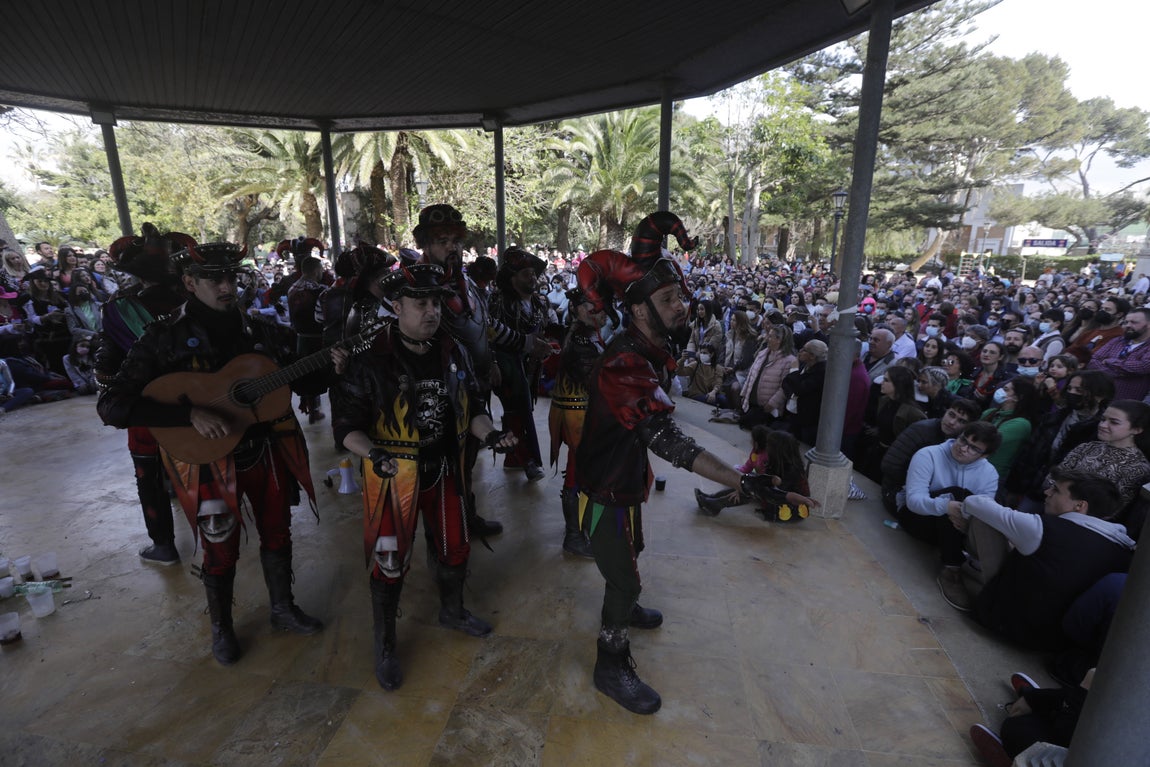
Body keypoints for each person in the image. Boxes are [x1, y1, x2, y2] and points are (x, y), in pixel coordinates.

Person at [571, 213, 785, 715]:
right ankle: (610, 661)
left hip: (624, 478)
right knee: (622, 574)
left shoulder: (647, 349)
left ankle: (626, 602)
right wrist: (742, 481)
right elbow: (669, 440)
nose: (681, 305)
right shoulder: (624, 362)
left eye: (679, 295)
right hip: (604, 488)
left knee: (634, 547)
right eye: (668, 299)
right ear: (638, 310)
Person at [97, 241, 324, 666]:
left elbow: (307, 383)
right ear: (189, 282)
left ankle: (282, 608)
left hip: (265, 452)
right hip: (209, 464)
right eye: (214, 278)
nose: (227, 285)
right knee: (220, 547)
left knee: (278, 533)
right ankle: (221, 627)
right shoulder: (163, 338)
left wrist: (333, 365)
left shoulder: (261, 330)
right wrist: (188, 414)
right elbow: (112, 405)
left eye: (231, 277)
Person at [330, 263, 517, 691]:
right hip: (393, 474)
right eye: (421, 303)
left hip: (446, 466)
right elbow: (345, 427)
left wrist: (492, 436)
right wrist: (373, 454)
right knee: (389, 558)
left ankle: (452, 610)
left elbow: (472, 409)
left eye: (436, 302)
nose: (432, 311)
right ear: (396, 307)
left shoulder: (453, 349)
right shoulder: (369, 355)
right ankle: (385, 644)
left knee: (456, 545)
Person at [415, 204, 543, 536]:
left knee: (466, 459)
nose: (451, 247)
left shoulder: (467, 284)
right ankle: (443, 533)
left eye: (455, 240)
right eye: (442, 240)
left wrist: (502, 357)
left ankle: (464, 517)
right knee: (439, 465)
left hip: (475, 386)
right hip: (436, 394)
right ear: (425, 244)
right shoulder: (413, 288)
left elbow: (485, 327)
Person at [95, 224, 193, 566]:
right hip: (200, 399)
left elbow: (108, 363)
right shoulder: (194, 297)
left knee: (147, 474)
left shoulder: (118, 307)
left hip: (147, 404)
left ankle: (163, 545)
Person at [950, 468, 1134, 649]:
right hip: (1054, 644)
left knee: (984, 519)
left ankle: (954, 566)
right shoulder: (1124, 547)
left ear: (1079, 506)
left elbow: (976, 502)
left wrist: (964, 512)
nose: (1047, 492)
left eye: (1056, 490)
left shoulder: (1043, 529)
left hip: (1004, 623)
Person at [901, 421, 1002, 611]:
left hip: (953, 528)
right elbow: (913, 501)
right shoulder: (928, 454)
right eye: (963, 439)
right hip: (915, 517)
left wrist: (967, 520)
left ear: (985, 455)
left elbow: (982, 512)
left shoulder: (989, 473)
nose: (963, 448)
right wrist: (946, 506)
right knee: (958, 495)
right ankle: (952, 570)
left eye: (973, 448)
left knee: (974, 504)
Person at [547, 282, 606, 558]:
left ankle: (580, 529)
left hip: (576, 412)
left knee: (580, 473)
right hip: (577, 416)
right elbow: (597, 380)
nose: (599, 311)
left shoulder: (582, 333)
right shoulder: (581, 339)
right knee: (577, 475)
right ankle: (574, 535)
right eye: (591, 306)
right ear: (577, 309)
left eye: (601, 306)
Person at [489, 247, 553, 482]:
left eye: (533, 273)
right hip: (506, 365)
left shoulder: (538, 302)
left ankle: (513, 457)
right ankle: (528, 461)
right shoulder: (500, 302)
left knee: (521, 412)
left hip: (529, 367)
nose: (532, 277)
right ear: (512, 278)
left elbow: (546, 330)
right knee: (518, 412)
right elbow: (490, 335)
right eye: (526, 274)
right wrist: (493, 363)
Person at [879, 399, 981, 517]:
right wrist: (918, 482)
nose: (952, 422)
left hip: (930, 497)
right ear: (946, 411)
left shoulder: (962, 444)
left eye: (961, 421)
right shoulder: (921, 430)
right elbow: (889, 465)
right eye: (951, 414)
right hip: (897, 494)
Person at [695, 427, 818, 521]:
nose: (766, 449)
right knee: (748, 481)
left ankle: (715, 505)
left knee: (751, 489)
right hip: (778, 498)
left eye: (769, 446)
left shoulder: (791, 471)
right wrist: (741, 486)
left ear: (777, 451)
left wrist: (745, 490)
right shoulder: (779, 463)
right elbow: (763, 480)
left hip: (788, 511)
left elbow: (775, 493)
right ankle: (711, 497)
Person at [287, 252, 329, 423]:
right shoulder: (320, 290)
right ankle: (316, 411)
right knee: (322, 375)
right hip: (318, 339)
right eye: (320, 269)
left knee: (307, 374)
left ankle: (312, 409)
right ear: (316, 270)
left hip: (300, 339)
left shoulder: (292, 288)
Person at [980, 377, 1041, 482]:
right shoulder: (990, 412)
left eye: (1006, 389)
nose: (1000, 391)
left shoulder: (1021, 424)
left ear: (1018, 397)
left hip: (990, 476)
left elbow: (986, 441)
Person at [738, 324, 797, 429]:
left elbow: (784, 387)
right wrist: (744, 394)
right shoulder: (762, 354)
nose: (766, 338)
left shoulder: (789, 361)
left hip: (767, 409)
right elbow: (751, 375)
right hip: (752, 403)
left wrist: (771, 404)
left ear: (779, 340)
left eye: (770, 336)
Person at [1086, 307, 1150, 401]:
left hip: (1124, 402)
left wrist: (1110, 361)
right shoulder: (1118, 340)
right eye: (1126, 322)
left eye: (1134, 322)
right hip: (1096, 395)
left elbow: (1143, 366)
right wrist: (1116, 372)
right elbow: (1093, 360)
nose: (1128, 325)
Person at [779, 339, 828, 445]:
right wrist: (792, 394)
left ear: (812, 356)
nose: (800, 351)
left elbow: (800, 389)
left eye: (804, 350)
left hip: (807, 420)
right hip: (793, 414)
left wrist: (794, 370)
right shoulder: (804, 365)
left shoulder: (821, 372)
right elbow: (786, 382)